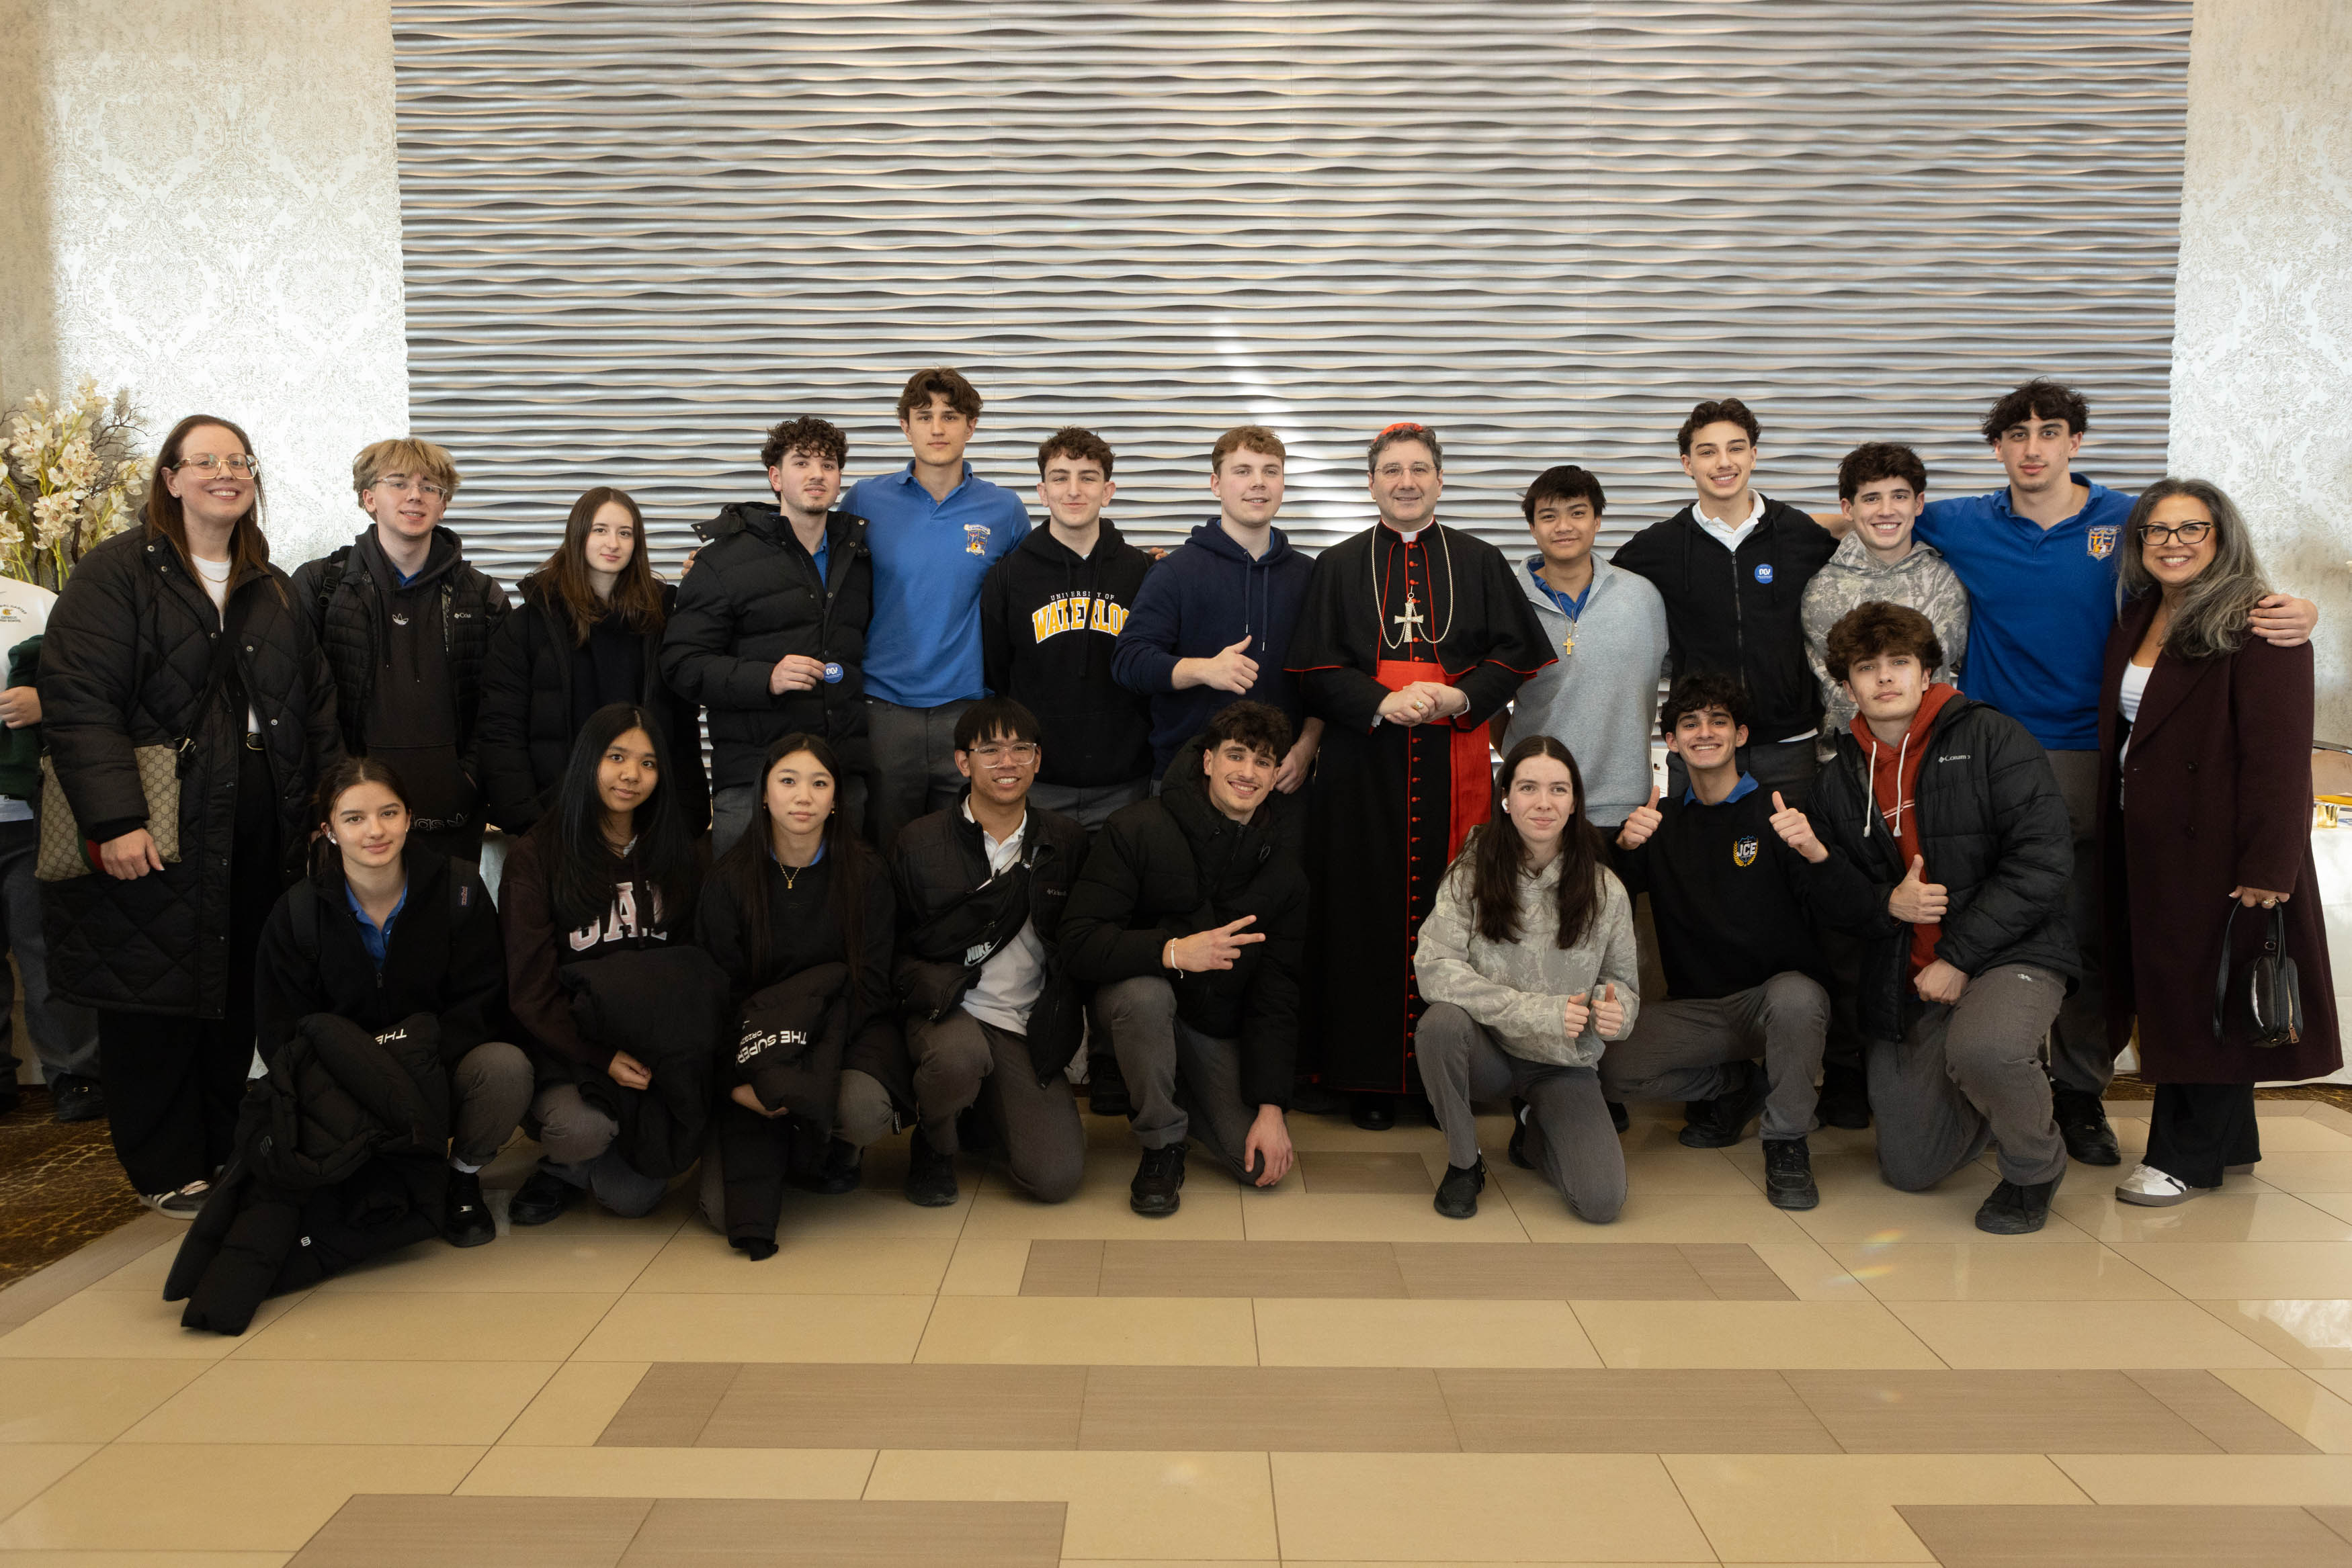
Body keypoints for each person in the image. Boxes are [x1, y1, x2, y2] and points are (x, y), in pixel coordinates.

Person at [1884, 379, 2318, 1164]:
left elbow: (2213, 578)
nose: (2032, 448)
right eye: (2016, 435)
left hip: (2095, 757)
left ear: (2074, 441)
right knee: (1984, 922)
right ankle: (1987, 1087)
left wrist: (2299, 609)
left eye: (2049, 432)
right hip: (1986, 756)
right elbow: (1865, 518)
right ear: (1996, 448)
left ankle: (2079, 1092)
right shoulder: (1960, 520)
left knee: (2089, 932)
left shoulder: (2131, 521)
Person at [40, 414, 341, 1215]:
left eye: (239, 460)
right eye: (205, 460)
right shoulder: (116, 574)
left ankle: (218, 1152)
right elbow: (80, 703)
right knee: (155, 999)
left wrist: (326, 810)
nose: (225, 473)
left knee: (235, 994)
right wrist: (115, 820)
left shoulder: (271, 585)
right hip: (159, 822)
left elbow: (314, 707)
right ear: (170, 479)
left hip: (260, 821)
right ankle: (165, 1167)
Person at [1779, 603, 2078, 1234]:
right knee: (1911, 1166)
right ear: (1846, 685)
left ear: (1927, 672)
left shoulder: (1993, 737)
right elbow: (1834, 904)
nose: (1885, 678)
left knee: (1987, 1049)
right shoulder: (1838, 779)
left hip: (2010, 952)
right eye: (1867, 667)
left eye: (1899, 663)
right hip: (1911, 974)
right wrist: (1885, 902)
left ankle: (2034, 1165)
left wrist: (1959, 957)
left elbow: (2043, 860)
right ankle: (1994, 1088)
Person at [1286, 422, 1552, 1129]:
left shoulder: (1479, 559)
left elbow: (1515, 656)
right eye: (1391, 470)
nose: (1405, 481)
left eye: (1418, 469)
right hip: (1361, 767)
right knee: (1362, 913)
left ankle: (1447, 1077)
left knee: (1456, 917)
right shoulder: (1338, 564)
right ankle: (1370, 1080)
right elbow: (1315, 669)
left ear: (1439, 479)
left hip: (1451, 759)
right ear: (1371, 483)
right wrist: (1381, 701)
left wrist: (1458, 698)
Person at [2096, 479, 2339, 1205]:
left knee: (2197, 997)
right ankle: (2229, 1142)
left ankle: (2181, 1158)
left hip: (2221, 847)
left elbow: (2279, 758)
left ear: (2221, 536)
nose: (2172, 543)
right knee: (2198, 991)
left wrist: (2270, 865)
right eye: (2157, 530)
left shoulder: (2259, 622)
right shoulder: (2138, 614)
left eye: (2190, 529)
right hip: (2149, 839)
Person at [253, 757, 529, 1248]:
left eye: (388, 813)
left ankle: (461, 1177)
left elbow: (484, 1001)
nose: (375, 831)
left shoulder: (460, 890)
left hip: (435, 1070)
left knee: (505, 1068)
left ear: (408, 817)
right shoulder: (297, 913)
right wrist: (366, 1073)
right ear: (329, 831)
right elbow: (282, 1030)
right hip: (346, 1086)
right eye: (354, 818)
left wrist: (413, 1064)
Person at [1599, 674, 1840, 1210]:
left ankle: (1787, 1142)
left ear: (1741, 734)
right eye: (1690, 724)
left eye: (1718, 721)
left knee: (1796, 998)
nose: (1704, 732)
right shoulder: (1658, 823)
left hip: (1774, 1003)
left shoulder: (1780, 814)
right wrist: (1623, 849)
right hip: (1699, 1013)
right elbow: (1600, 904)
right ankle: (1734, 1086)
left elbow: (1841, 910)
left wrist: (1817, 855)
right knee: (1607, 1064)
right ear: (1672, 741)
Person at [1061, 701, 1307, 1215]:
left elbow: (1278, 991)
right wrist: (1173, 951)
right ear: (1208, 761)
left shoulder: (1284, 867)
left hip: (1210, 1025)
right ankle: (1162, 1144)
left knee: (1259, 1166)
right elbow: (1079, 942)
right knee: (1146, 996)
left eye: (1263, 762)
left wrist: (1271, 1108)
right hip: (1134, 1003)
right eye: (1236, 756)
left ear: (1275, 775)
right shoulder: (1136, 827)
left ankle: (1169, 1087)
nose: (1248, 772)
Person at [1415, 736, 1639, 1224]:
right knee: (1439, 1025)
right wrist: (1540, 1012)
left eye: (1558, 789)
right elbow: (1435, 967)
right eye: (1528, 788)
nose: (1543, 803)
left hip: (1560, 1062)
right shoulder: (1470, 871)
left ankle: (1533, 1128)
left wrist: (1617, 1010)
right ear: (1506, 798)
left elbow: (1622, 982)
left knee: (1601, 1203)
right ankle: (1464, 1162)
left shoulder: (1606, 889)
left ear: (1575, 802)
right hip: (1487, 1049)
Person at [694, 734, 902, 1255]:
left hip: (840, 1035)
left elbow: (872, 987)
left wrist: (806, 1069)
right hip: (755, 1046)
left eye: (819, 783)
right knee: (723, 1214)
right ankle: (792, 1138)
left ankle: (832, 1144)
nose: (803, 796)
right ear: (764, 794)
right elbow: (715, 997)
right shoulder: (729, 880)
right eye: (788, 781)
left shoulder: (867, 873)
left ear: (836, 800)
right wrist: (740, 1081)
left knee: (862, 1108)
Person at [500, 703, 704, 1223]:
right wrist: (599, 1055)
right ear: (588, 760)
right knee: (583, 1129)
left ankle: (581, 1168)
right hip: (573, 1049)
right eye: (616, 757)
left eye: (648, 763)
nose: (631, 774)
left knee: (633, 1198)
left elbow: (690, 968)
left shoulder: (675, 851)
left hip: (649, 1050)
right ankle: (562, 1163)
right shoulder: (537, 854)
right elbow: (531, 990)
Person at [888, 696, 1088, 1207]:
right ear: (963, 762)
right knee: (959, 1059)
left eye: (1021, 750)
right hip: (947, 1009)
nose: (1007, 763)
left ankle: (978, 1117)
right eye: (990, 750)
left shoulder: (1065, 841)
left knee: (1056, 1177)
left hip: (1022, 1023)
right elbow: (893, 947)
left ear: (1038, 761)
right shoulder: (917, 842)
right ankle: (934, 1142)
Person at [1610, 398, 1838, 811]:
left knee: (1792, 849)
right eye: (1707, 452)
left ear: (1753, 456)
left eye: (1735, 448)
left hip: (1788, 746)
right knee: (1695, 852)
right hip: (1702, 744)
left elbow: (1864, 537)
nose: (1723, 462)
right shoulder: (1659, 547)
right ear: (1687, 464)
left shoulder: (1798, 533)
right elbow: (1598, 590)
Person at [292, 438, 510, 863]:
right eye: (398, 483)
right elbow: (302, 701)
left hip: (453, 815)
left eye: (430, 487)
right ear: (369, 498)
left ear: (443, 505)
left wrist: (469, 778)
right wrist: (329, 793)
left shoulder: (482, 595)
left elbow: (502, 705)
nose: (415, 495)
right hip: (354, 817)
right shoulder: (322, 586)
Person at [662, 417, 870, 853]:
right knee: (742, 895)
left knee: (843, 894)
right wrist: (767, 678)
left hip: (838, 777)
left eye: (828, 465)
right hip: (752, 778)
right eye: (802, 462)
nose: (817, 474)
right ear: (776, 478)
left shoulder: (859, 559)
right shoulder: (721, 562)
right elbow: (682, 664)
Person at [842, 369, 1029, 849]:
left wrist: (1140, 565)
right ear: (906, 427)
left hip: (968, 708)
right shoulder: (865, 499)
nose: (938, 428)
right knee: (885, 849)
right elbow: (817, 565)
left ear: (971, 426)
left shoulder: (1004, 509)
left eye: (951, 416)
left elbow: (1034, 589)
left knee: (963, 851)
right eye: (925, 417)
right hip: (885, 709)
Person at [479, 485, 706, 840]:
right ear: (578, 535)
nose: (613, 543)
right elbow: (502, 726)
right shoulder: (530, 623)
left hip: (646, 822)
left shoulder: (662, 620)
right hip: (554, 820)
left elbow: (682, 725)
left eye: (625, 533)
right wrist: (526, 818)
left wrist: (687, 816)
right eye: (600, 530)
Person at [1111, 425, 1322, 791]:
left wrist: (1306, 749)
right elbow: (1129, 663)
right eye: (1243, 471)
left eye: (1270, 471)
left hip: (1279, 779)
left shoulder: (1310, 575)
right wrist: (1203, 669)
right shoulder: (1175, 572)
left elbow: (1325, 677)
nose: (1258, 482)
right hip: (1189, 778)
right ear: (1216, 484)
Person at [980, 427, 1156, 826]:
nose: (1074, 491)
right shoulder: (1007, 577)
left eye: (1088, 478)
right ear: (1043, 492)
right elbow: (997, 676)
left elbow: (1154, 672)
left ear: (1107, 491)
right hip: (1039, 780)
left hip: (1126, 779)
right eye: (1060, 478)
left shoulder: (1144, 572)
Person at [1496, 465, 1669, 833]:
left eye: (1577, 513)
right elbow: (1489, 705)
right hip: (1537, 808)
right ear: (1532, 528)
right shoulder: (1505, 602)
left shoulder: (1643, 598)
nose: (1564, 526)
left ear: (1597, 521)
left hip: (1626, 809)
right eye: (1549, 516)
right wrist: (1520, 764)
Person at [0, 572, 102, 1122]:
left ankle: (75, 1074)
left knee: (45, 948)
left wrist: (46, 700)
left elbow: (96, 684)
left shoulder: (38, 603)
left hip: (30, 817)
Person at [1799, 443, 1969, 736]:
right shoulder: (1815, 586)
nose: (1886, 511)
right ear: (1847, 509)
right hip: (1842, 752)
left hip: (1933, 750)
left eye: (1899, 496)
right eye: (1871, 498)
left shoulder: (1950, 584)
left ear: (1918, 503)